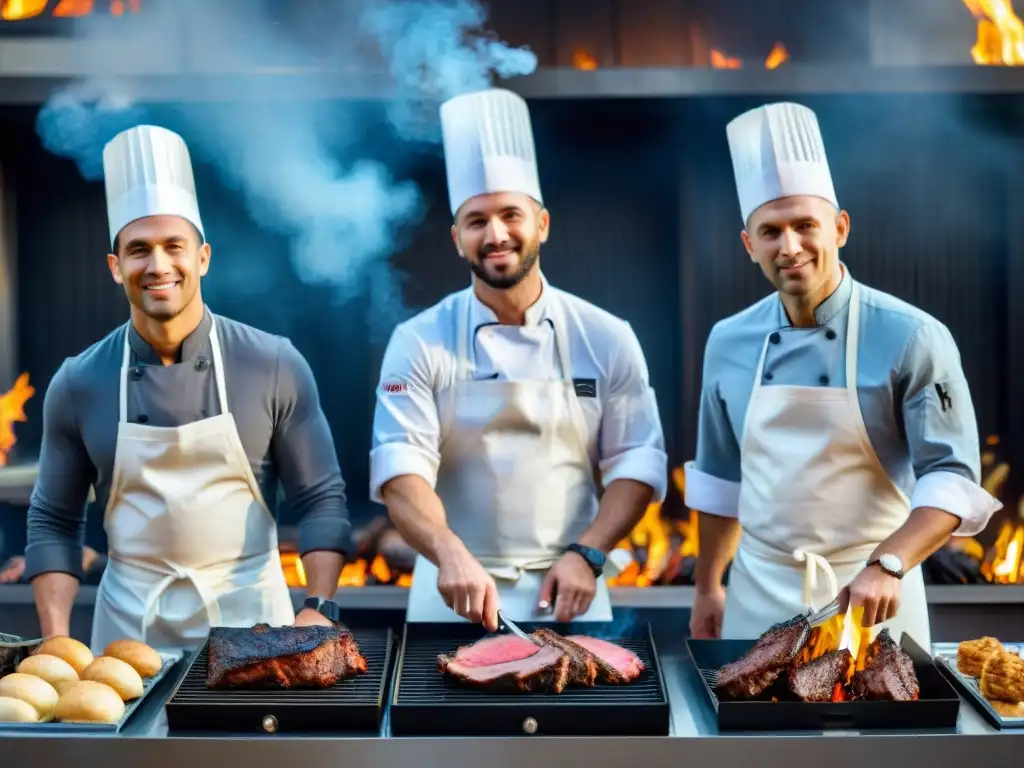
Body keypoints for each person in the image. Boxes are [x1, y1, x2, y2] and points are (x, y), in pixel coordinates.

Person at [684, 102, 1002, 649]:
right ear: (748, 244)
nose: (790, 247)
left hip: (873, 593)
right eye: (771, 231)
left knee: (881, 732)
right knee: (753, 737)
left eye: (806, 225)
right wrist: (709, 585)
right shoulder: (727, 339)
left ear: (840, 228)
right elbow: (720, 479)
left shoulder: (912, 335)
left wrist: (891, 564)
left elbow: (951, 477)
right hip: (758, 592)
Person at [25, 125, 352, 654]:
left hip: (256, 631)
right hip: (126, 639)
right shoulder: (79, 381)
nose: (157, 265)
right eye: (138, 250)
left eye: (174, 246)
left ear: (201, 257)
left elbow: (321, 500)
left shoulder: (272, 362)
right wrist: (57, 644)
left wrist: (319, 605)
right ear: (115, 267)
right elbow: (54, 522)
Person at [370, 88, 667, 631]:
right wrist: (448, 552)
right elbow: (400, 470)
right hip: (452, 589)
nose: (497, 233)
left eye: (512, 214)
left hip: (574, 588)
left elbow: (636, 462)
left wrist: (591, 552)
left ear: (543, 224)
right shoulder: (418, 341)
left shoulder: (605, 336)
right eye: (477, 221)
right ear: (458, 239)